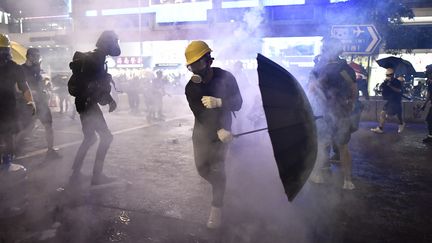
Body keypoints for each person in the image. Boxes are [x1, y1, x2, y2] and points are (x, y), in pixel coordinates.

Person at [184, 41, 242, 228]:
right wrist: (217, 130)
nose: (196, 71)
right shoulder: (190, 88)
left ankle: (216, 209)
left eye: (198, 64)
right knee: (202, 169)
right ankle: (220, 185)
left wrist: (220, 102)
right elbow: (200, 114)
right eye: (192, 66)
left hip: (224, 129)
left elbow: (238, 103)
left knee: (218, 170)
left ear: (209, 60)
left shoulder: (226, 77)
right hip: (203, 132)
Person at [68, 30, 120, 186]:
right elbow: (94, 86)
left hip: (84, 102)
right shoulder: (97, 58)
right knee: (106, 137)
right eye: (114, 42)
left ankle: (75, 173)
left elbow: (93, 83)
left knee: (90, 138)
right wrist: (109, 100)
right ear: (108, 43)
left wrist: (106, 96)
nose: (116, 45)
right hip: (88, 103)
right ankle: (97, 176)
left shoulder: (96, 56)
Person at [308, 37, 357, 190]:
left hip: (323, 112)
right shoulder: (345, 68)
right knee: (343, 146)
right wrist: (351, 104)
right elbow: (354, 90)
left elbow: (311, 89)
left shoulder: (319, 68)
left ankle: (318, 175)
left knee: (322, 144)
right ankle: (348, 181)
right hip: (342, 112)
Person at [0, 33, 36, 172]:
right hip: (9, 107)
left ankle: (7, 162)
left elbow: (24, 87)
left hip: (8, 107)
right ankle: (7, 162)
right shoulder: (14, 66)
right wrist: (31, 102)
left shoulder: (14, 67)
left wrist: (30, 101)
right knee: (8, 135)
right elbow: (24, 87)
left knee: (8, 134)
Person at [21, 48, 61, 159]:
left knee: (48, 125)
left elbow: (40, 83)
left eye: (39, 56)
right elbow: (19, 87)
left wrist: (45, 87)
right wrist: (30, 92)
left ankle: (50, 150)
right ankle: (14, 149)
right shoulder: (21, 69)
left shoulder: (37, 69)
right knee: (26, 129)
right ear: (29, 56)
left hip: (41, 103)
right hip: (29, 103)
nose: (38, 58)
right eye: (36, 56)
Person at [370, 68, 405, 134]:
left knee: (396, 115)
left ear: (393, 75)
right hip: (390, 100)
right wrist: (384, 84)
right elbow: (382, 88)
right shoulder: (386, 81)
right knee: (383, 113)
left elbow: (399, 91)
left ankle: (401, 123)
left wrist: (390, 85)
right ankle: (380, 128)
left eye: (389, 75)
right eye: (387, 75)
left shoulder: (397, 82)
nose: (388, 76)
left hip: (396, 101)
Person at [420, 64, 432, 143]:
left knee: (429, 119)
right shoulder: (429, 82)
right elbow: (429, 94)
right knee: (429, 119)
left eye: (428, 70)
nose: (426, 72)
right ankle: (430, 136)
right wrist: (424, 104)